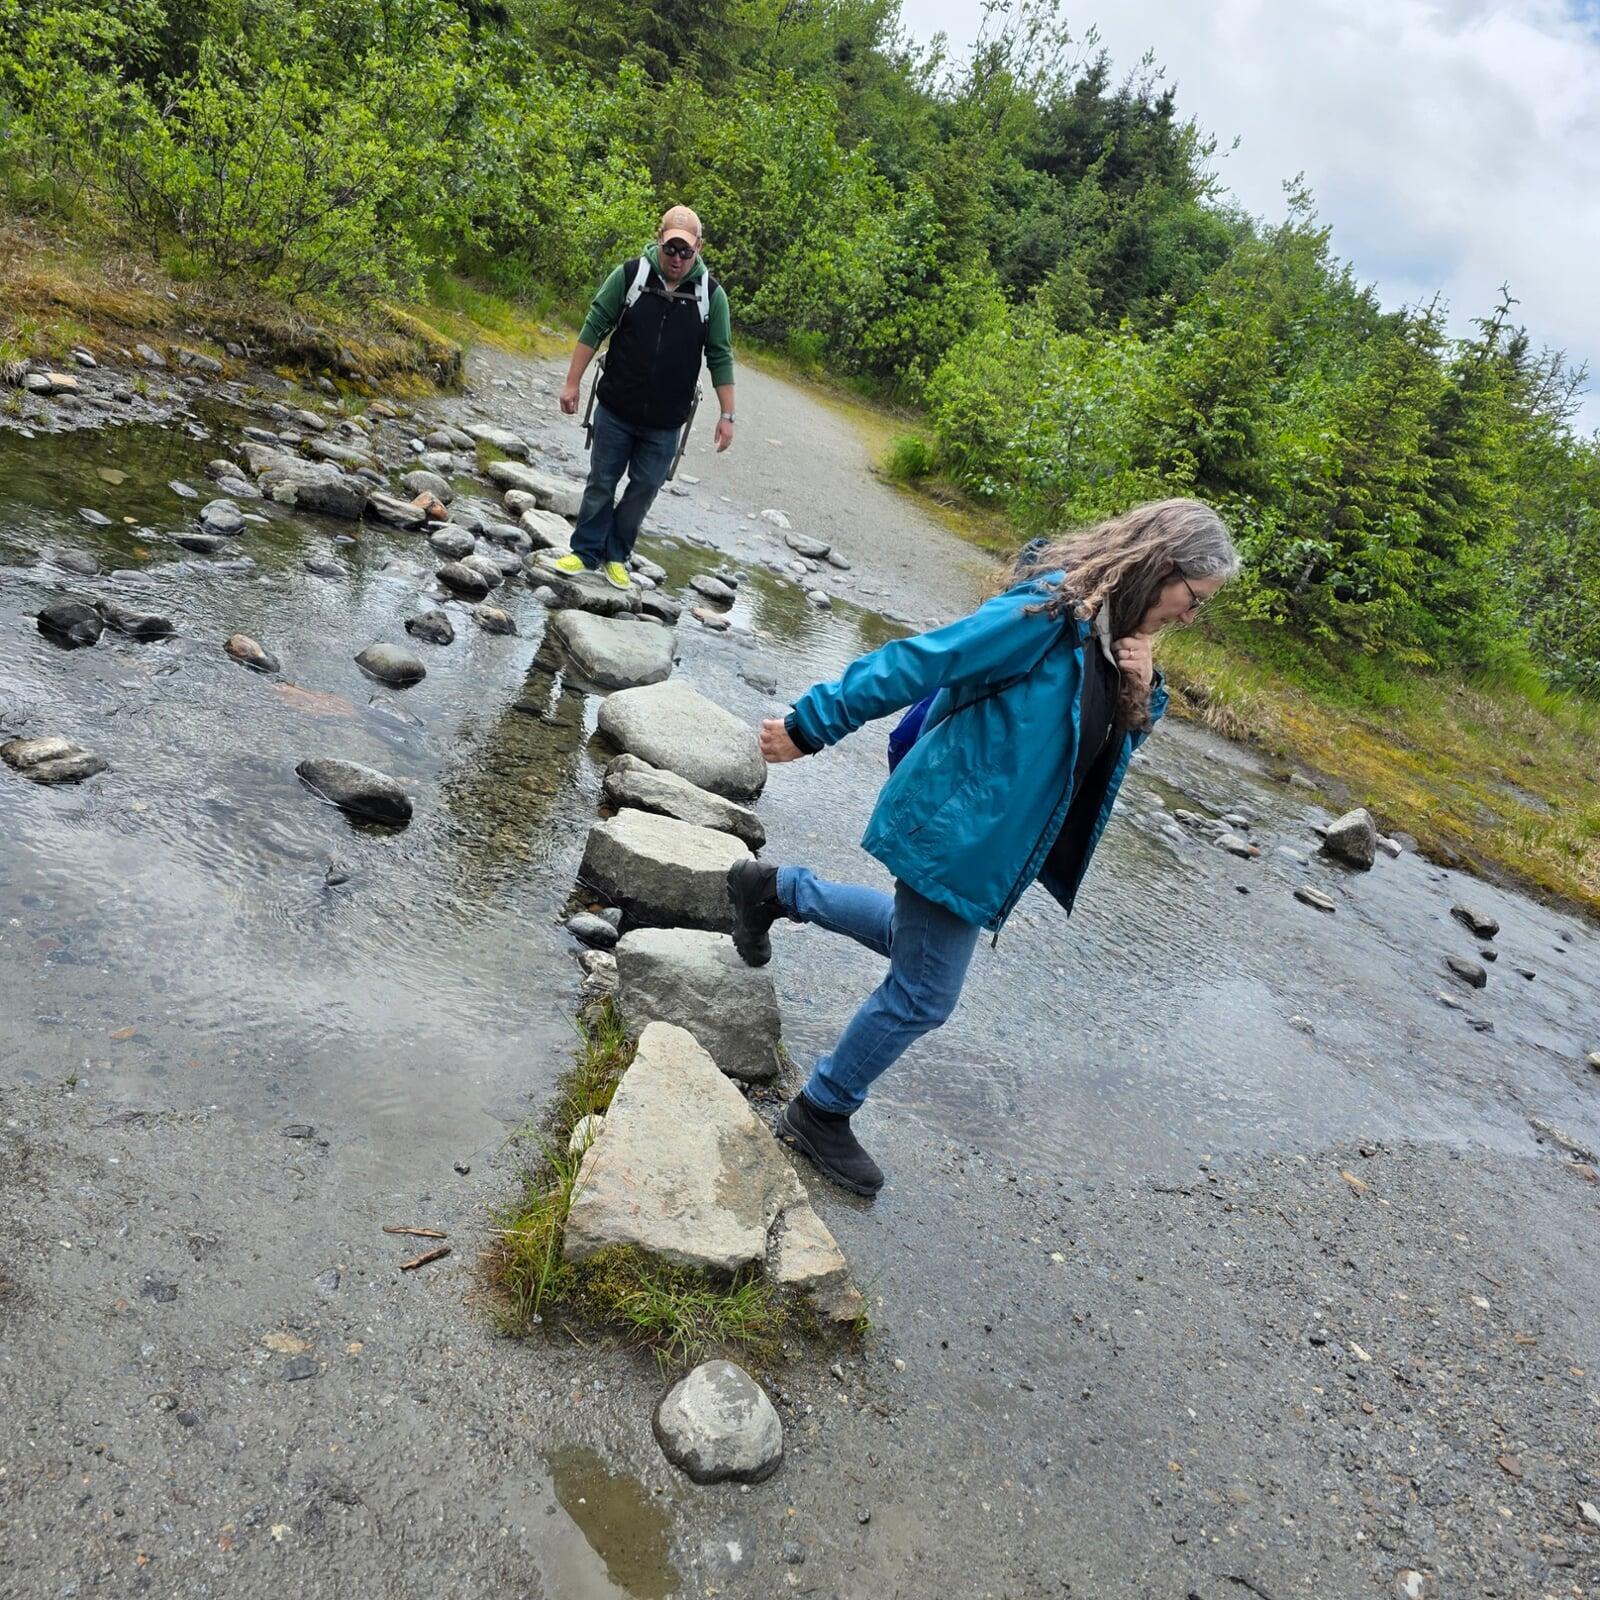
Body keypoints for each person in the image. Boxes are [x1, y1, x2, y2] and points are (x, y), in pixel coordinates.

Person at [726, 499, 1239, 1196]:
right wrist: (811, 723)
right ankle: (822, 1110)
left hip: (989, 837)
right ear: (1164, 566)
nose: (1190, 617)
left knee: (917, 946)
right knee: (925, 993)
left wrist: (1143, 690)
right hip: (958, 826)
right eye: (1195, 599)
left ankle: (774, 891)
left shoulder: (1115, 639)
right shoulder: (1050, 617)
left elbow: (1104, 740)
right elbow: (924, 659)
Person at [555, 205, 736, 591]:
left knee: (644, 488)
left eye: (686, 251)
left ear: (698, 249)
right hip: (616, 407)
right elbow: (595, 325)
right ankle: (585, 551)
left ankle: (617, 556)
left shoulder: (711, 296)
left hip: (667, 421)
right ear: (659, 239)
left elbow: (720, 354)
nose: (677, 258)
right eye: (671, 248)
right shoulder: (630, 275)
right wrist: (573, 383)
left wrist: (728, 415)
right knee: (602, 480)